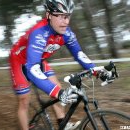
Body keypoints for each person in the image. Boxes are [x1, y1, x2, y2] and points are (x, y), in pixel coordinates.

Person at [9, 0, 96, 130]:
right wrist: (57, 93)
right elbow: (32, 68)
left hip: (37, 59)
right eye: (61, 16)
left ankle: (63, 123)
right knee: (24, 100)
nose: (66, 21)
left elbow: (78, 54)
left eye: (67, 16)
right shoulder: (39, 33)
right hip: (19, 61)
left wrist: (96, 70)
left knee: (57, 87)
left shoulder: (66, 33)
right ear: (49, 15)